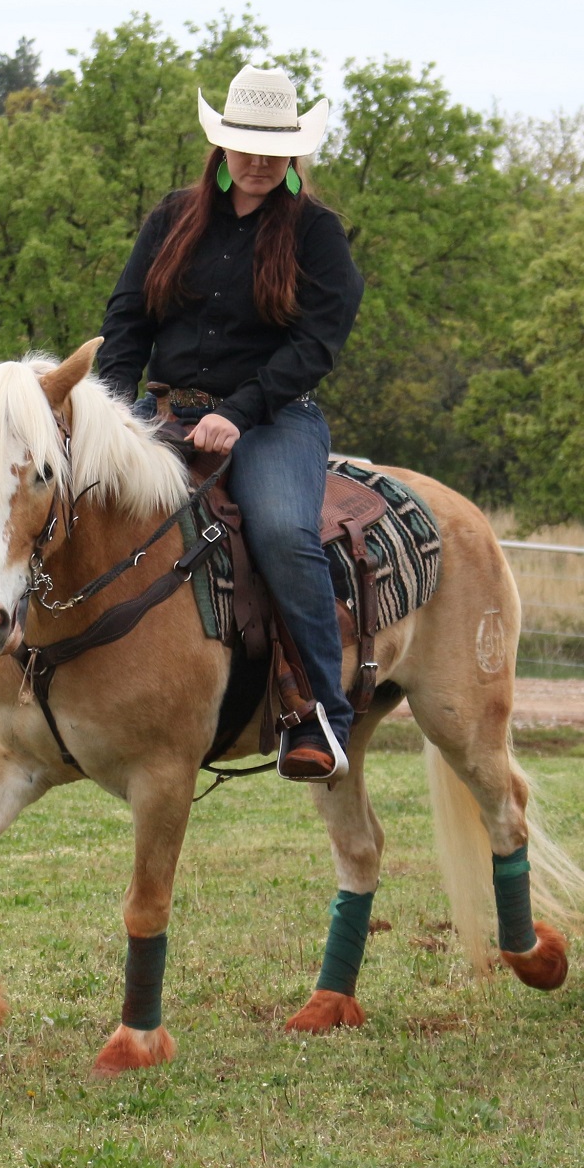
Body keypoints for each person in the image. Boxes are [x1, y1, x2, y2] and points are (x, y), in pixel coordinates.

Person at [96, 65, 365, 781]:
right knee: (69, 500)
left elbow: (316, 344)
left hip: (275, 417)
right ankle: (28, 682)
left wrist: (237, 413)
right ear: (222, 144)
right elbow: (127, 323)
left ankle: (319, 716)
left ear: (293, 153)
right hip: (164, 411)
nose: (257, 162)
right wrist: (111, 415)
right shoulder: (172, 217)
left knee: (279, 529)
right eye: (245, 145)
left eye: (273, 150)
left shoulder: (317, 233)